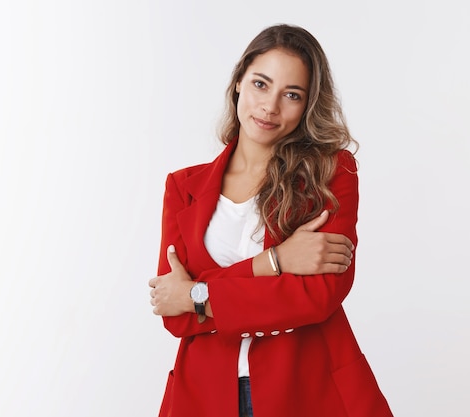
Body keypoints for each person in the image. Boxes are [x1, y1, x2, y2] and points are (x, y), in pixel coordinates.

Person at [148, 23, 393, 417]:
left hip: (308, 389)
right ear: (239, 83)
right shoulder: (183, 187)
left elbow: (318, 296)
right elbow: (176, 319)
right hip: (205, 395)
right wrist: (275, 263)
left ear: (307, 105)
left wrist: (197, 296)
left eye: (291, 95)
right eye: (261, 84)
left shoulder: (331, 173)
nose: (270, 106)